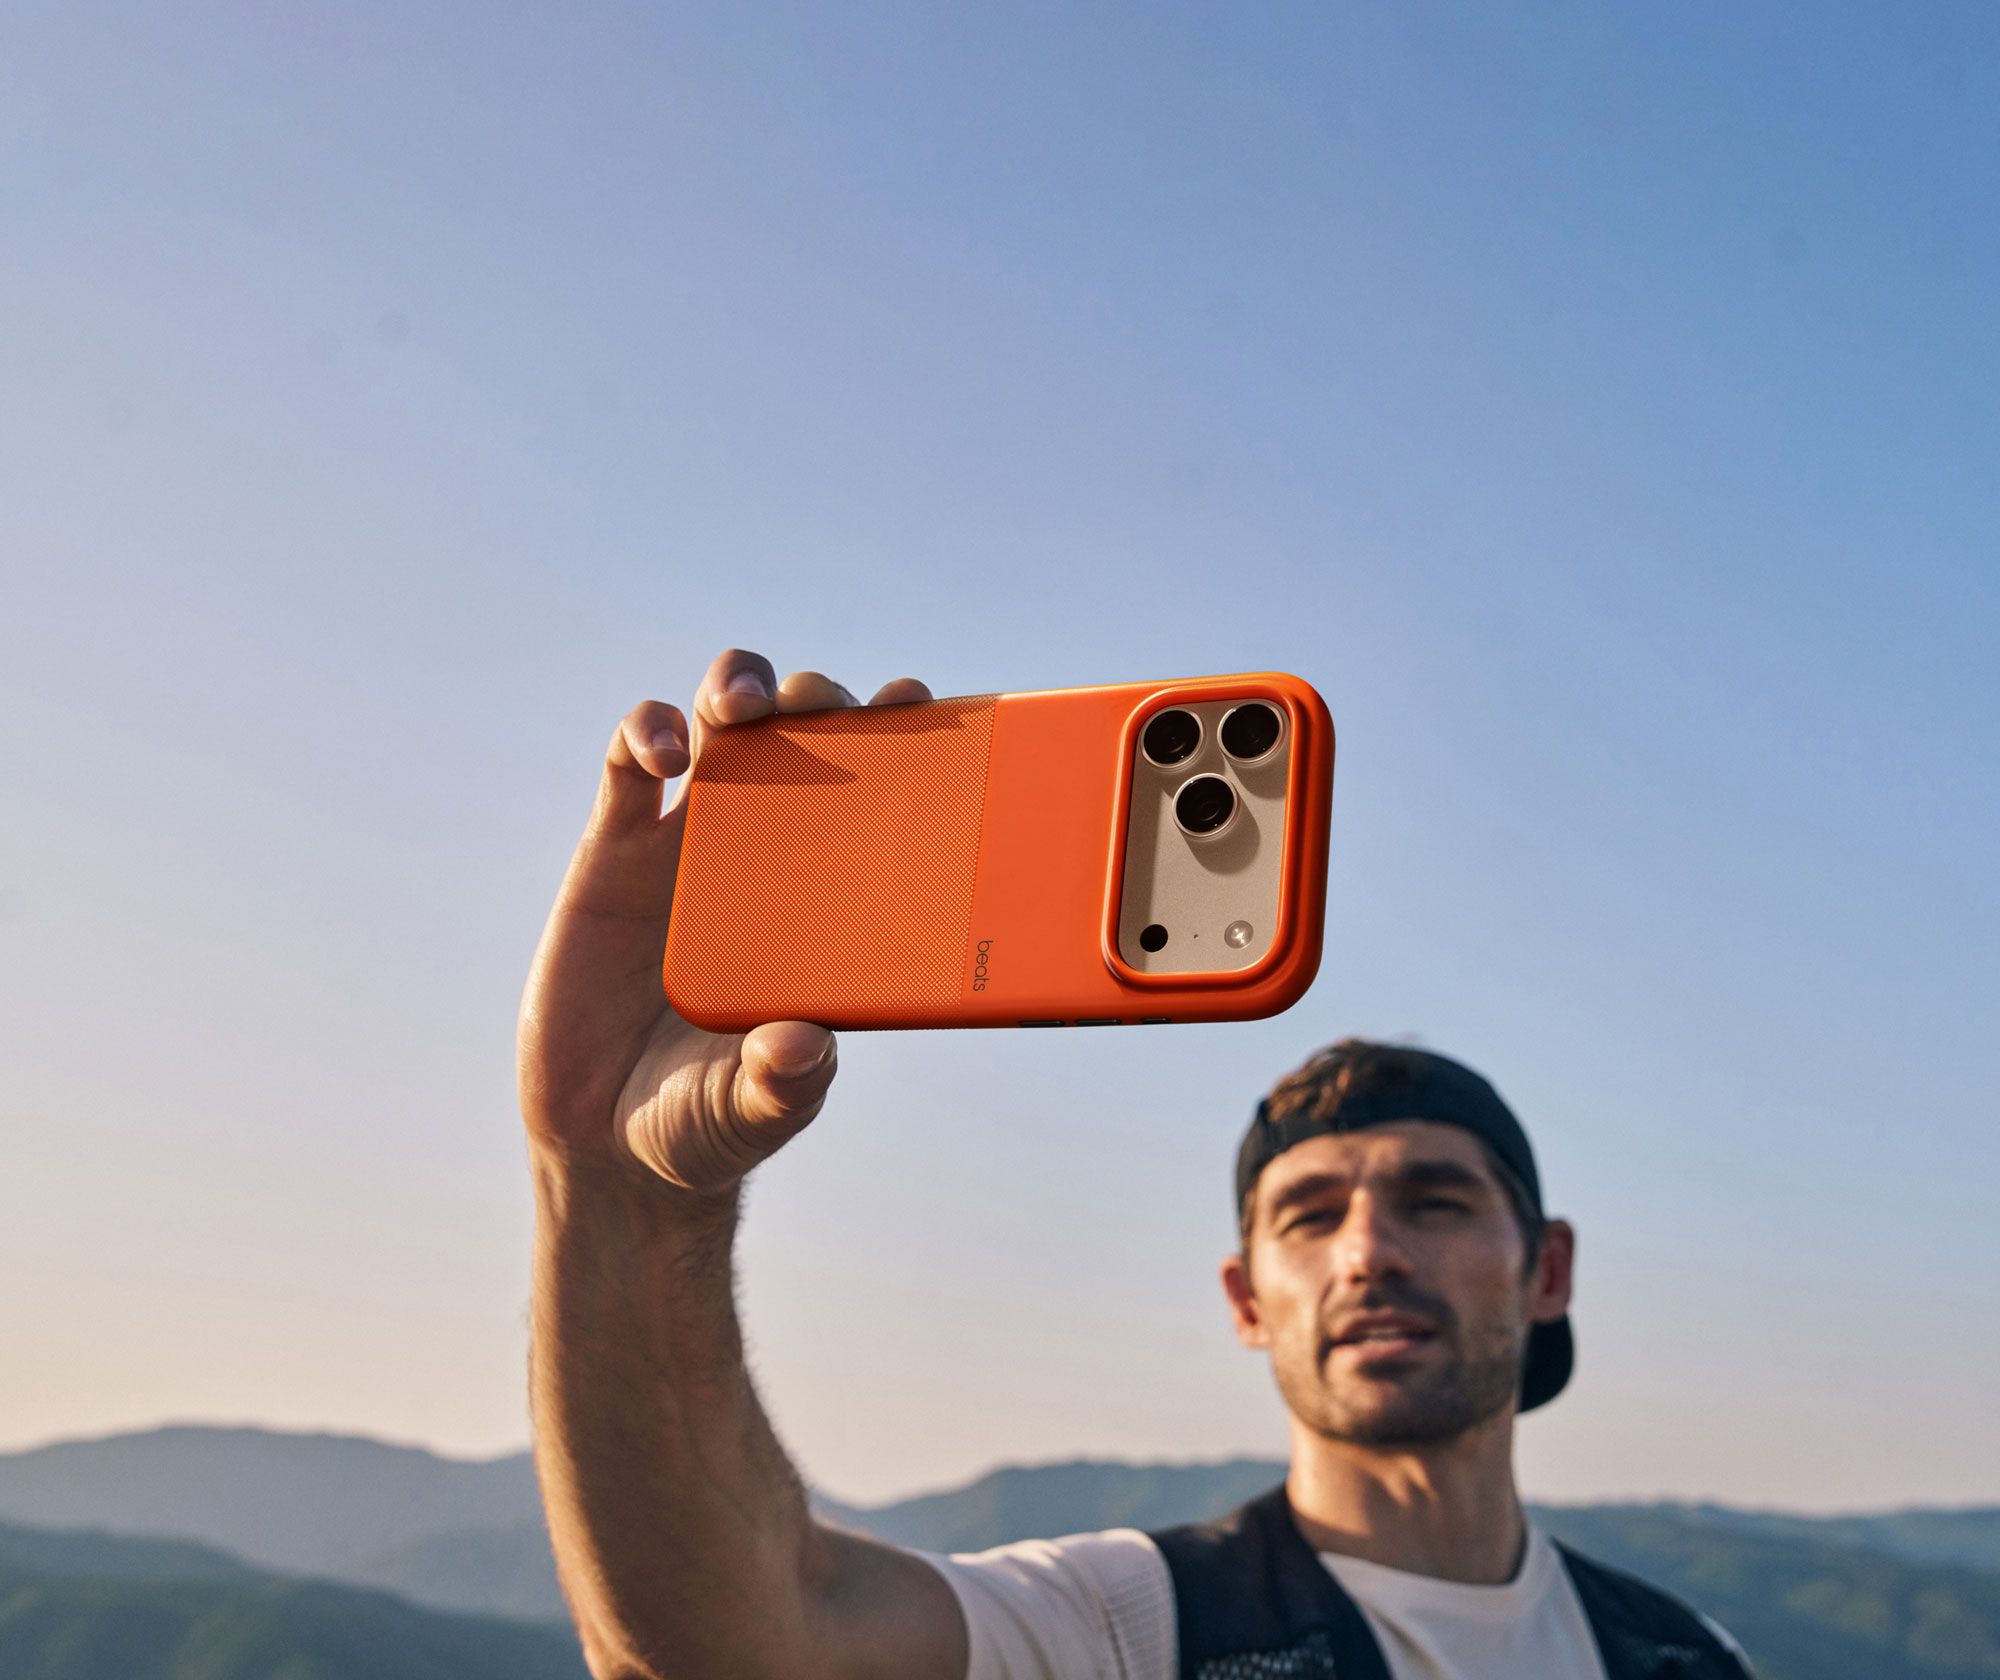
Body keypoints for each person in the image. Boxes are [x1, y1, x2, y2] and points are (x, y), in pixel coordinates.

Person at [518, 648, 1754, 1680]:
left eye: (1434, 1200)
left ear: (1546, 1270)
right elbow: (741, 1644)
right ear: (1242, 1300)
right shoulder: (1125, 1627)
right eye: (1308, 1216)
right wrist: (616, 1194)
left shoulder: (1682, 1658)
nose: (1369, 1252)